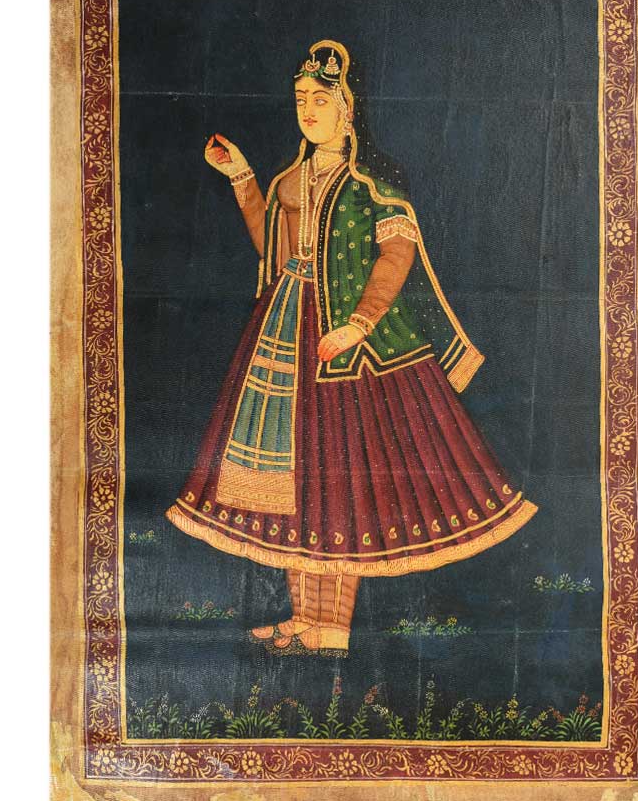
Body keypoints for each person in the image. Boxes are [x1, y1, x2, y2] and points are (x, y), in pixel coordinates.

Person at [165, 39, 537, 655]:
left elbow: (397, 256)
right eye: (300, 99)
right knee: (293, 485)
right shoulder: (290, 179)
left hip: (355, 349)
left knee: (340, 486)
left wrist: (359, 324)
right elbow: (274, 250)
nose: (308, 110)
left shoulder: (373, 183)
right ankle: (305, 621)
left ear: (348, 106)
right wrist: (243, 180)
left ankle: (332, 628)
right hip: (287, 332)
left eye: (321, 98)